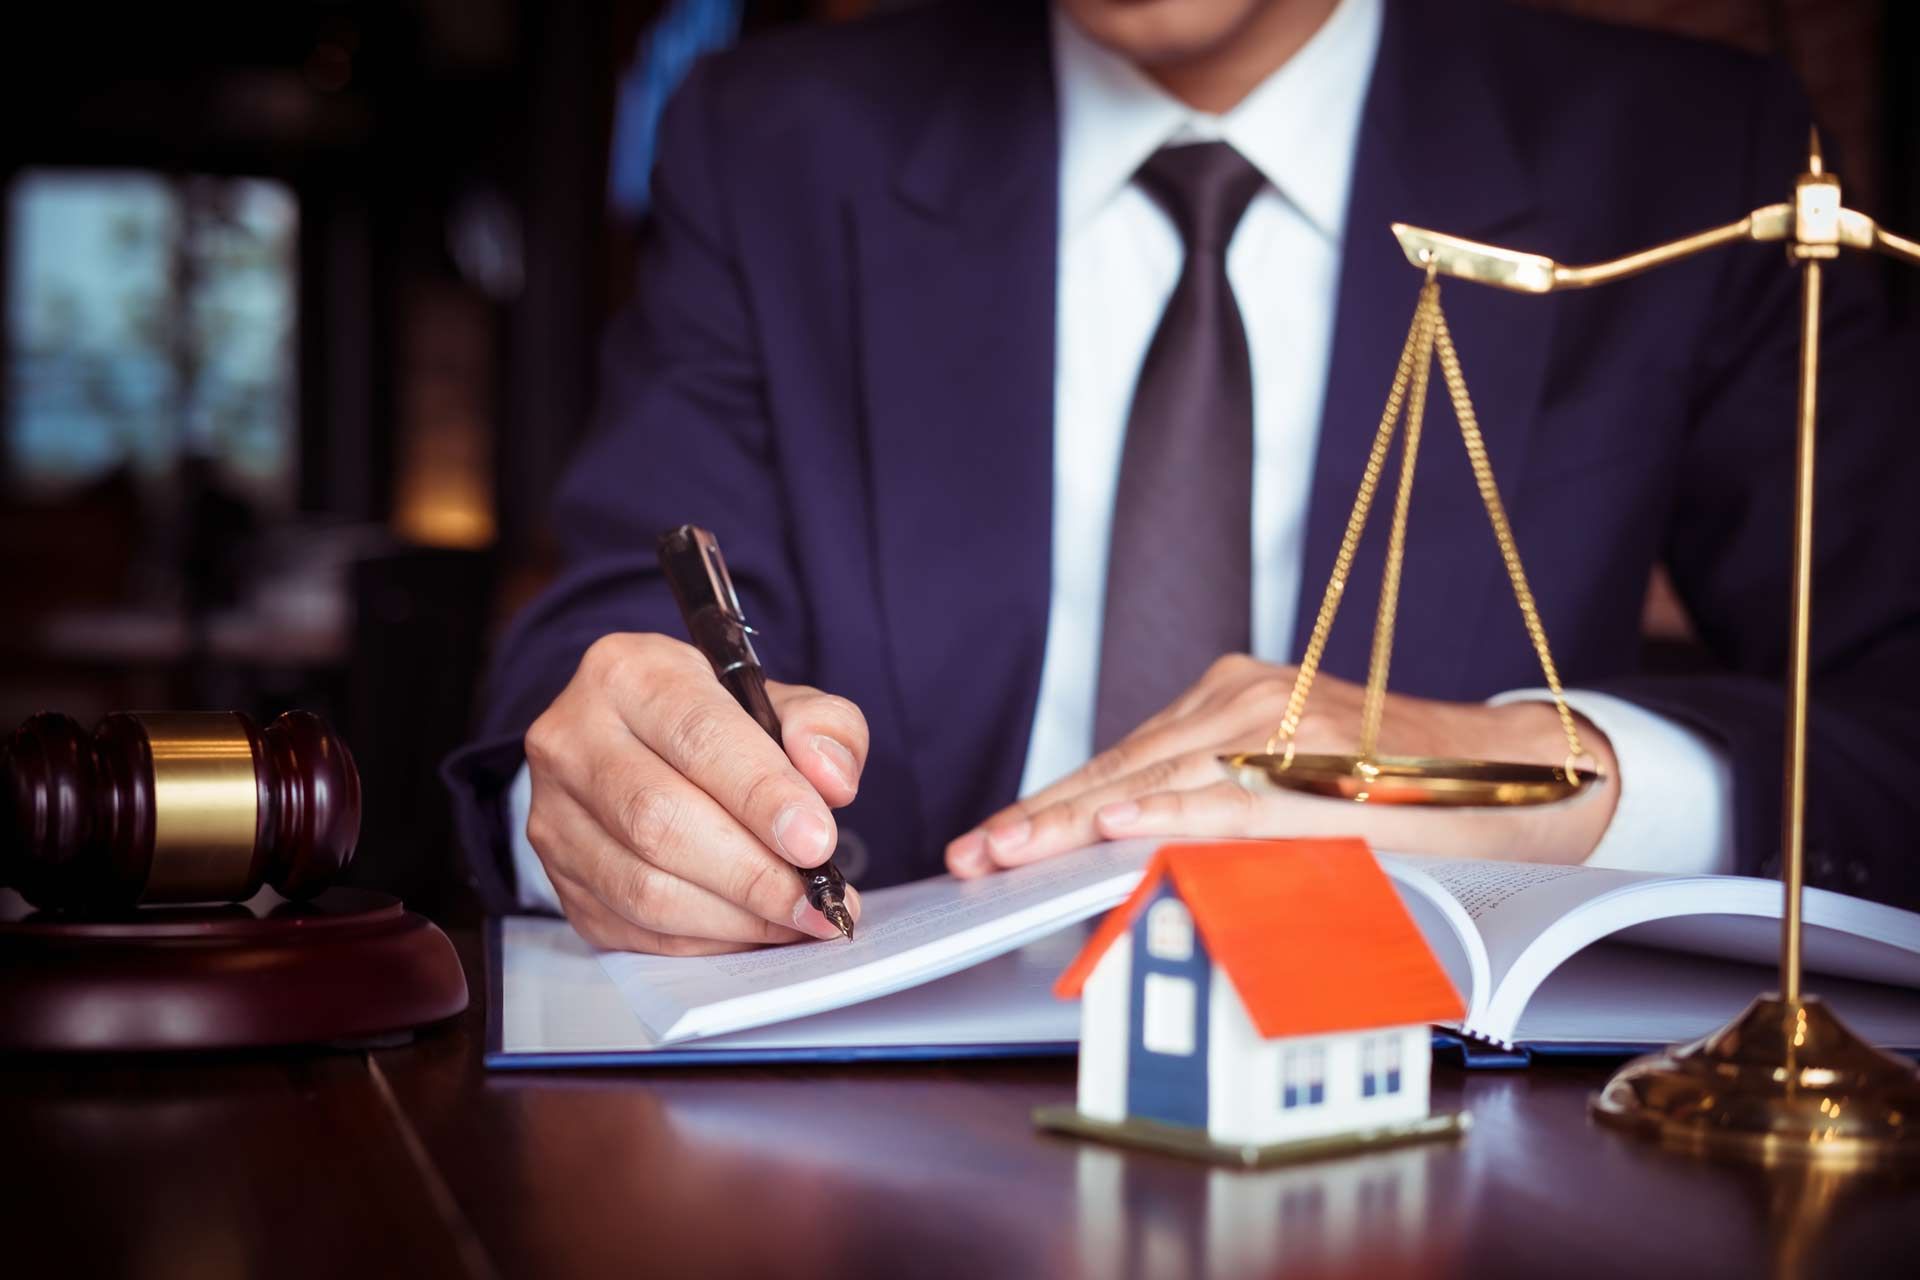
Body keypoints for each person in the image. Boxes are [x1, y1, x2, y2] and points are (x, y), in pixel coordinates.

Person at [444, 0, 1920, 954]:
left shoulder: (1693, 161)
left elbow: (1896, 718)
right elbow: (597, 675)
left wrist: (1547, 781)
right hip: (849, 1140)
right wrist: (602, 806)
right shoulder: (773, 146)